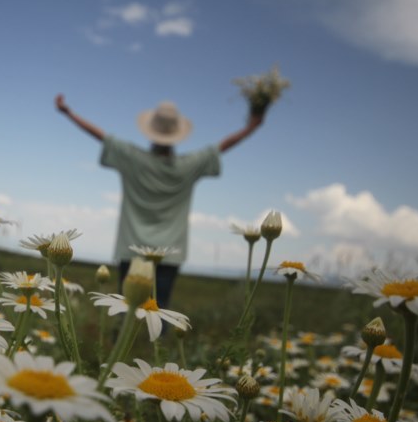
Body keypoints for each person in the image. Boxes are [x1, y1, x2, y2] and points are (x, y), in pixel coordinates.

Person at [55, 93, 265, 308]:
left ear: (151, 132)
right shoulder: (188, 165)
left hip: (132, 248)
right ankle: (154, 341)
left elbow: (101, 136)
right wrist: (251, 127)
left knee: (125, 308)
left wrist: (68, 113)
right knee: (159, 308)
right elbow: (221, 147)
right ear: (177, 135)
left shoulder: (133, 158)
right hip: (170, 253)